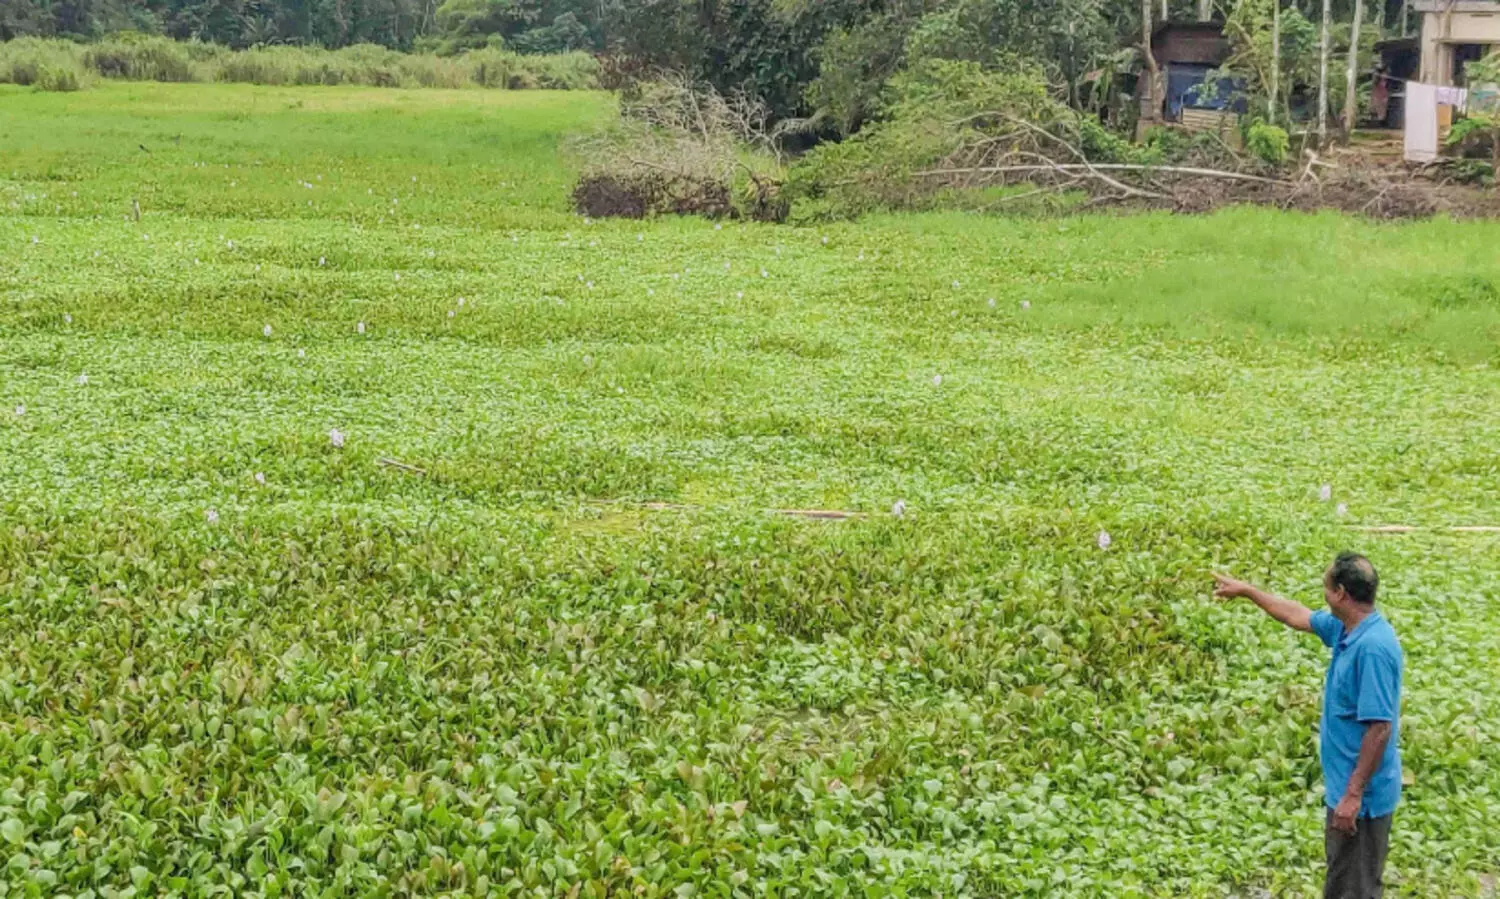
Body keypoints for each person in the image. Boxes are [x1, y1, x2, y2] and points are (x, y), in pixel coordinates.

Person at [1212, 554, 1403, 899]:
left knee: (1354, 888)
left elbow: (1380, 728)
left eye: (1326, 587)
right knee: (1342, 879)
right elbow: (1296, 614)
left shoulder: (1373, 648)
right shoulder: (1348, 629)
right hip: (1346, 789)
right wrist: (1249, 592)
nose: (1323, 594)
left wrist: (1353, 794)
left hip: (1362, 799)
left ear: (1341, 593)